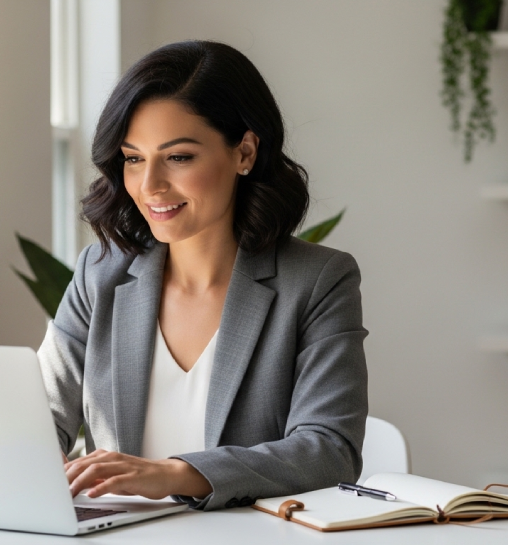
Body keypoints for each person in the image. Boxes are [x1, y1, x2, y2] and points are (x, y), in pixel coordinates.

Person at [37, 40, 368, 511]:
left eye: (179, 157)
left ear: (245, 152)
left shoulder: (318, 281)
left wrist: (176, 474)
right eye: (133, 158)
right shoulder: (99, 274)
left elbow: (329, 451)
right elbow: (40, 421)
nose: (149, 185)